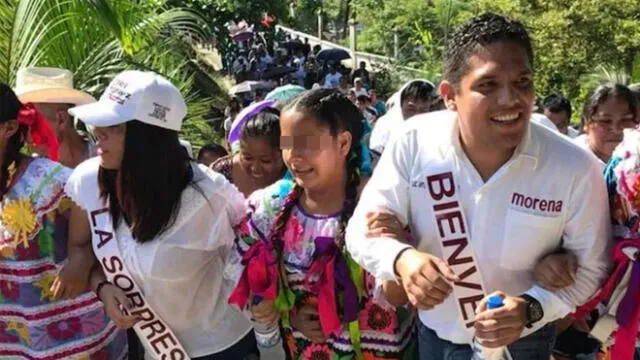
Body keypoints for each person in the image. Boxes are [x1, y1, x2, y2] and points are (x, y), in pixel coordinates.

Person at [346, 13, 610, 359]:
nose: (510, 99)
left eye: (522, 82)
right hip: (435, 339)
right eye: (488, 85)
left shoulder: (575, 167)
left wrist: (531, 309)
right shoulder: (414, 143)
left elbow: (592, 268)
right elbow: (360, 232)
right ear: (449, 95)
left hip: (525, 343)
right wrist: (402, 259)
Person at [64, 70, 257, 359]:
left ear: (149, 136)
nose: (97, 132)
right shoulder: (89, 182)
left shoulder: (208, 195)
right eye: (98, 124)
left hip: (223, 348)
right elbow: (81, 247)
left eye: (113, 125)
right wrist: (102, 287)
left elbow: (254, 257)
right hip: (153, 349)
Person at [228, 89, 415, 360]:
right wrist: (288, 313)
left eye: (307, 144)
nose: (294, 156)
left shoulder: (380, 206)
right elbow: (241, 271)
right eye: (287, 143)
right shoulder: (269, 208)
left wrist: (396, 252)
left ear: (343, 143)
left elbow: (398, 297)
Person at [0, 83, 126, 359]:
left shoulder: (53, 183)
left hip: (78, 342)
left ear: (8, 129)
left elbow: (116, 233)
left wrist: (83, 258)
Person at [14, 67, 97, 167]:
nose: (26, 137)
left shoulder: (108, 161)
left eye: (33, 123)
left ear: (61, 119)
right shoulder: (28, 175)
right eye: (22, 124)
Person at [211, 107, 286, 198]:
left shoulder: (297, 178)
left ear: (282, 154)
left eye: (266, 161)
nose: (255, 168)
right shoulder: (219, 174)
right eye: (248, 158)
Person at [574, 83, 638, 168]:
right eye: (605, 121)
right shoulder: (571, 160)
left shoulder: (636, 158)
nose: (616, 129)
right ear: (587, 123)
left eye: (626, 120)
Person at [369, 79, 436, 158]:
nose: (417, 115)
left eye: (424, 110)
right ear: (400, 105)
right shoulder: (385, 128)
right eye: (411, 109)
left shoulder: (437, 135)